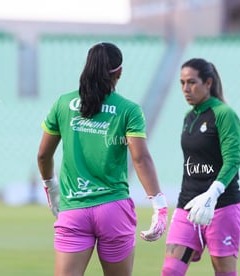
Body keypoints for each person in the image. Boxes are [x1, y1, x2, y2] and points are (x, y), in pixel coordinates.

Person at [37, 42, 168, 276]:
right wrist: (159, 205)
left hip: (74, 208)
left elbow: (43, 155)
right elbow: (140, 159)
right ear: (119, 72)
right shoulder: (128, 110)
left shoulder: (63, 103)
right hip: (113, 209)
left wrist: (51, 187)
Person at [162, 58, 240, 276]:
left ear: (208, 83)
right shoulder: (189, 117)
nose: (185, 89)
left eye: (191, 82)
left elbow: (233, 161)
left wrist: (212, 194)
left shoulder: (224, 114)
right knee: (171, 270)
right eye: (181, 83)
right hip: (187, 207)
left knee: (224, 273)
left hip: (222, 206)